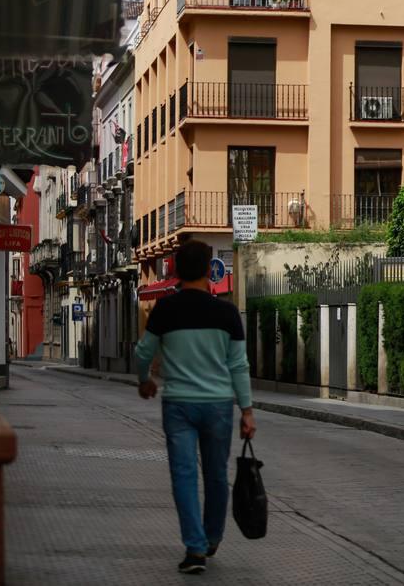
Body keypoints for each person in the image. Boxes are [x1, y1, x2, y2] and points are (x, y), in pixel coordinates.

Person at [136, 240, 256, 574]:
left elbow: (143, 352)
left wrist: (144, 379)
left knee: (184, 476)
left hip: (178, 406)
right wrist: (246, 410)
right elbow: (238, 365)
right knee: (217, 475)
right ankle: (212, 537)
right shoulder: (227, 313)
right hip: (218, 406)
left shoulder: (164, 310)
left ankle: (195, 548)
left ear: (175, 271)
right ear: (208, 271)